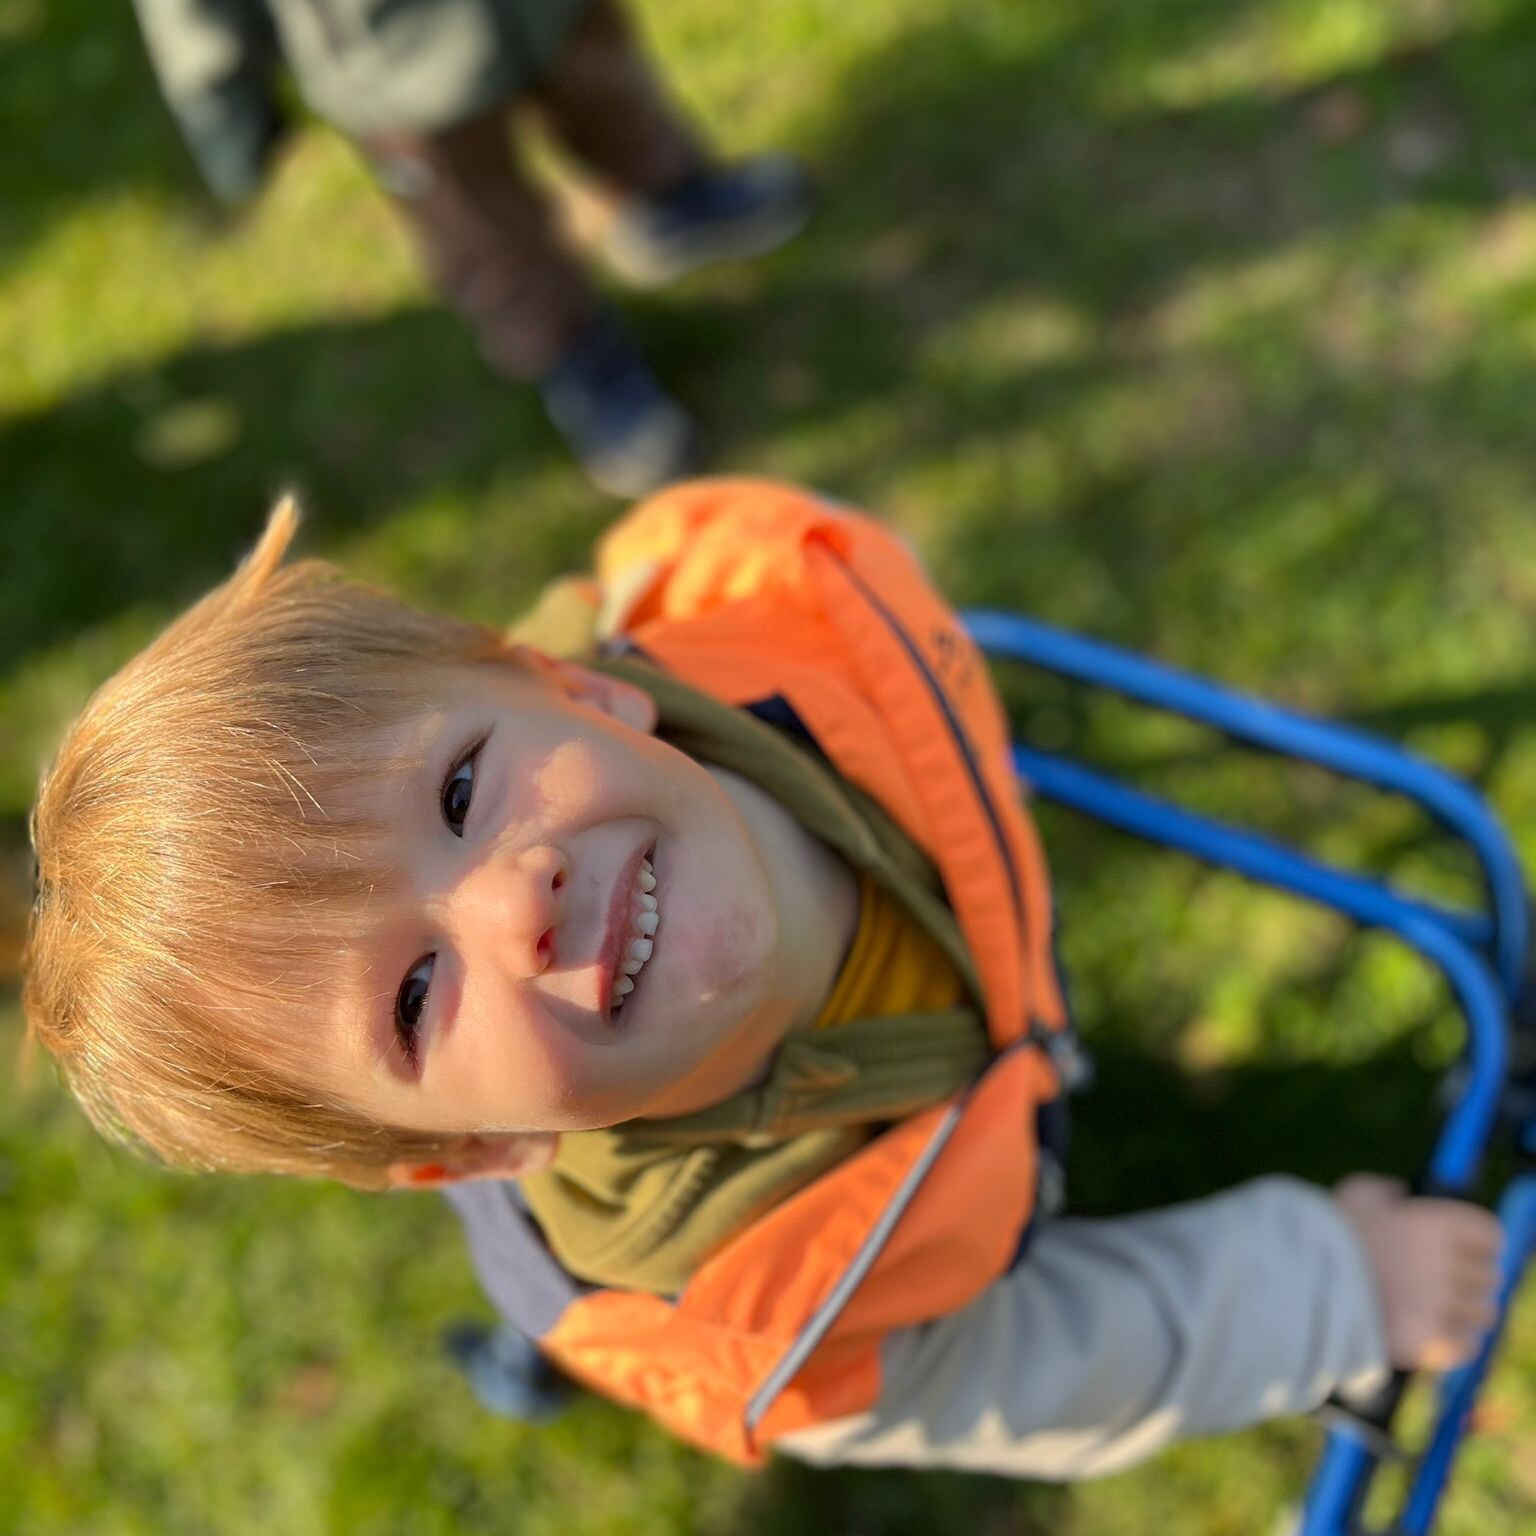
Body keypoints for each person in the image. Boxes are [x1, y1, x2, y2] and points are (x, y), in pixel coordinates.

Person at [23, 480, 1503, 1477]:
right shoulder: (752, 1319)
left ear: (576, 686)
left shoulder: (786, 612)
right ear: (472, 1147)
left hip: (972, 1009)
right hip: (779, 1256)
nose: (512, 901)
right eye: (414, 996)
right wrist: (1331, 1289)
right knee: (647, 1343)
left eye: (463, 791)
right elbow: (1041, 1364)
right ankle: (544, 1349)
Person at [129, 0, 810, 496]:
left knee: (607, 89)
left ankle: (672, 200)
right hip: (392, 62)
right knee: (484, 233)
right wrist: (223, 102)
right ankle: (579, 361)